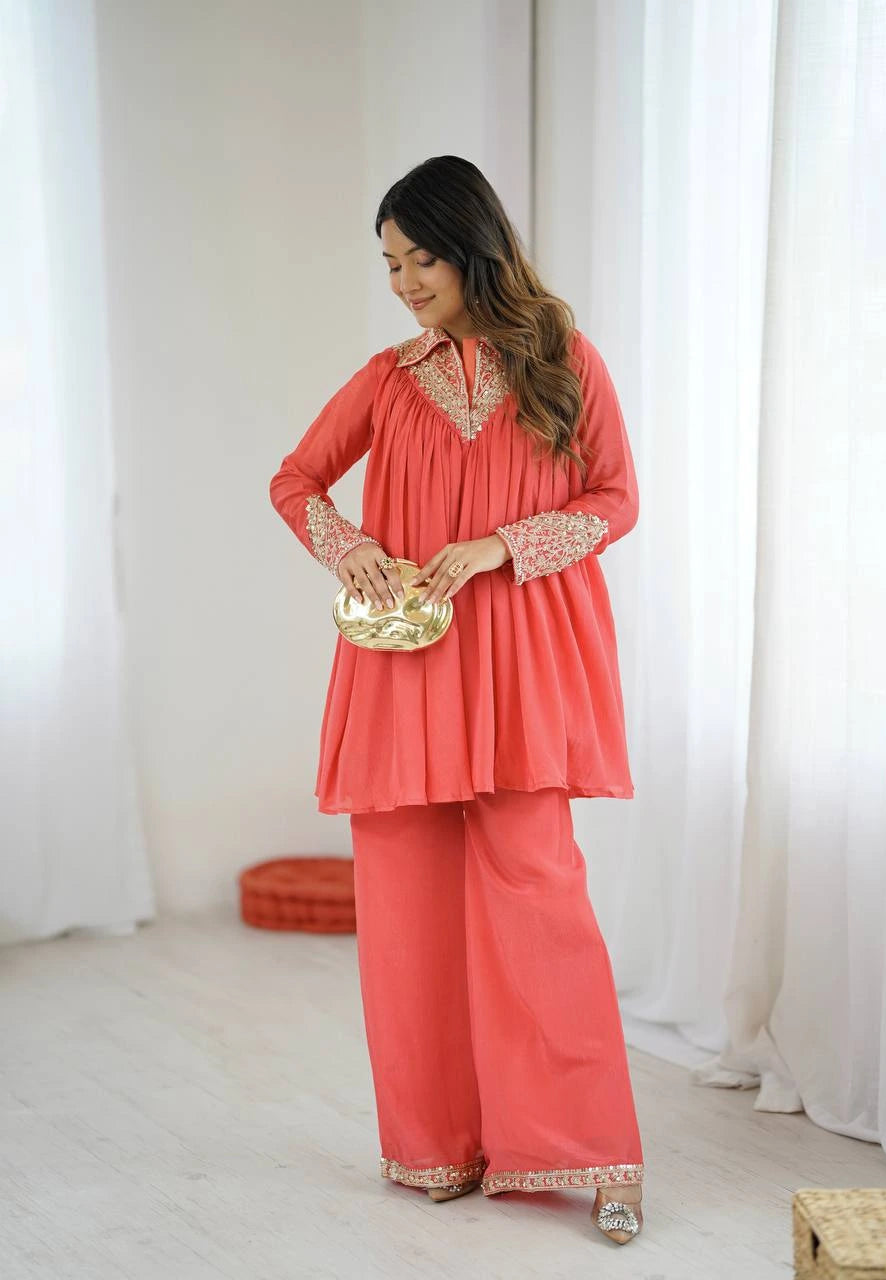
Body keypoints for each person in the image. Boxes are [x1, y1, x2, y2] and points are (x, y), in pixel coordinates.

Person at [269, 155, 644, 1246]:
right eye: (386, 263)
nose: (399, 281)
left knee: (539, 897)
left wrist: (497, 547)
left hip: (523, 665)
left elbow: (616, 498)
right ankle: (438, 1144)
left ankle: (589, 1151)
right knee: (405, 908)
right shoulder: (387, 378)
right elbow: (295, 478)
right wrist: (352, 552)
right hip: (404, 669)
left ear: (469, 243)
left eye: (416, 257)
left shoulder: (562, 358)